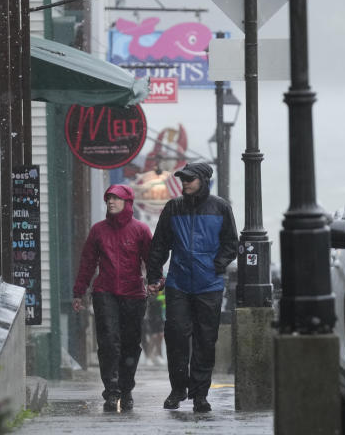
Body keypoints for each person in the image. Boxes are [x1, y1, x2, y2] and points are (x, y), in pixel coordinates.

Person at [146, 162, 238, 413]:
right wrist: (154, 276)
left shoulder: (220, 207)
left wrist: (216, 265)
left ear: (203, 180)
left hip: (209, 284)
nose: (185, 182)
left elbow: (231, 243)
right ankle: (178, 390)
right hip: (179, 283)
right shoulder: (173, 207)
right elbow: (159, 245)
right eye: (183, 178)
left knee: (205, 341)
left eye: (190, 178)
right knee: (175, 337)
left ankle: (200, 395)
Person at [72, 184, 153, 412]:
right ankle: (111, 391)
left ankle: (126, 389)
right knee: (108, 343)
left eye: (116, 199)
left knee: (130, 344)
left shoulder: (141, 230)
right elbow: (87, 262)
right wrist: (79, 292)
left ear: (128, 203)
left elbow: (151, 260)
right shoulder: (98, 230)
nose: (111, 202)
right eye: (108, 198)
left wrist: (156, 282)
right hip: (105, 292)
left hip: (134, 294)